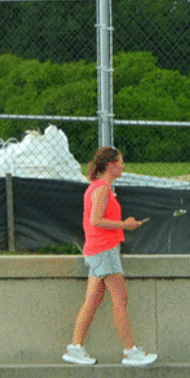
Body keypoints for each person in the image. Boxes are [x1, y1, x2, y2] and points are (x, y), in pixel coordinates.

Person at [63, 146, 156, 366]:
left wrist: (123, 226)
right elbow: (96, 220)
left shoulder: (97, 187)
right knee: (120, 300)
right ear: (111, 165)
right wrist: (125, 225)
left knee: (93, 301)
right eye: (121, 162)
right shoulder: (102, 188)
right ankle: (130, 351)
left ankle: (75, 347)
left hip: (96, 250)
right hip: (104, 250)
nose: (123, 166)